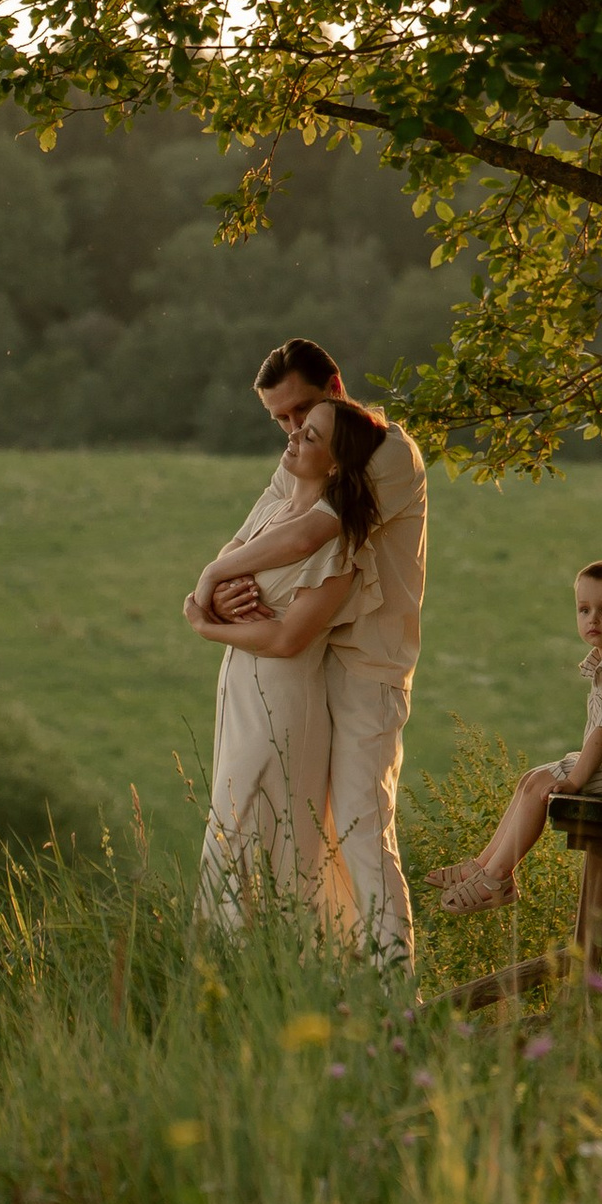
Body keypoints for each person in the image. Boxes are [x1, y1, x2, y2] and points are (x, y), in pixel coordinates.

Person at [188, 337, 428, 963]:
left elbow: (307, 537)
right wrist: (221, 588)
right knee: (302, 830)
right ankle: (327, 970)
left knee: (359, 827)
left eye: (302, 410)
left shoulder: (384, 451)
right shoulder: (302, 456)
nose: (293, 429)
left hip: (367, 663)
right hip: (311, 660)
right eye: (282, 419)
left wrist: (212, 584)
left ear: (335, 388)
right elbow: (250, 536)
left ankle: (395, 984)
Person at [190, 394, 371, 925]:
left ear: (335, 465)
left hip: (281, 705)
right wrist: (216, 597)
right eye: (298, 427)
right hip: (240, 695)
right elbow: (226, 567)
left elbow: (290, 638)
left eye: (310, 435)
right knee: (229, 834)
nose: (293, 435)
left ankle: (269, 960)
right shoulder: (274, 512)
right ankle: (223, 967)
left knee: (260, 841)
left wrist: (207, 626)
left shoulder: (337, 544)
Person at [431, 556, 602, 916]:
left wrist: (575, 781)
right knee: (531, 779)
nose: (593, 619)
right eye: (584, 610)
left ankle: (497, 878)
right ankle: (481, 866)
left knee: (543, 786)